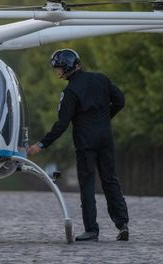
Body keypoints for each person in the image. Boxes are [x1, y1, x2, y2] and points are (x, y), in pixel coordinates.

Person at [27, 48, 130, 242]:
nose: (56, 72)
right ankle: (122, 224)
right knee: (110, 180)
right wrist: (105, 118)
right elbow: (120, 100)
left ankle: (91, 230)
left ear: (66, 68)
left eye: (57, 68)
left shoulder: (70, 92)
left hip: (86, 144)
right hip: (105, 139)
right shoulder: (101, 79)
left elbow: (61, 125)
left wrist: (41, 144)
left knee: (88, 185)